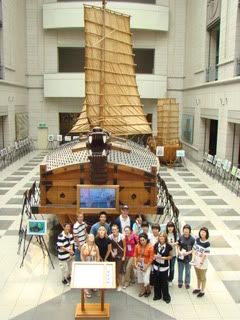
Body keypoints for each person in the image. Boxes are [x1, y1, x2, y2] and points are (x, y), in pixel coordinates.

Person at [152, 232, 172, 303]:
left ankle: (166, 297)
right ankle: (157, 295)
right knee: (156, 282)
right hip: (156, 266)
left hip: (164, 268)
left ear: (165, 238)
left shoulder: (169, 246)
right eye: (160, 236)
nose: (161, 238)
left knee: (164, 283)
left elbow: (170, 256)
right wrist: (155, 256)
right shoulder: (156, 245)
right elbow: (153, 253)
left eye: (163, 237)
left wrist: (164, 258)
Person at [192, 227, 210, 297]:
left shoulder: (207, 243)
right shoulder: (197, 240)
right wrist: (193, 259)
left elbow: (205, 255)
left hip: (203, 264)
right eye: (201, 232)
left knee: (203, 277)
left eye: (204, 232)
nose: (202, 233)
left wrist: (201, 263)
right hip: (196, 261)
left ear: (206, 234)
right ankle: (198, 288)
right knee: (198, 276)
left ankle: (202, 291)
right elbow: (194, 249)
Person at [134, 233, 154, 297]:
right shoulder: (137, 246)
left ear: (146, 239)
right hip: (139, 263)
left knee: (146, 279)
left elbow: (151, 258)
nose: (142, 242)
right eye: (140, 240)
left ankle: (148, 290)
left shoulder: (150, 246)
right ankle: (143, 291)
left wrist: (146, 266)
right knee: (140, 278)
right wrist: (135, 263)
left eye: (143, 240)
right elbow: (135, 255)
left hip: (147, 264)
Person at [81, 234, 100, 298]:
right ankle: (86, 290)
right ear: (87, 238)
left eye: (93, 237)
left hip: (93, 263)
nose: (92, 238)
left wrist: (97, 263)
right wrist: (83, 263)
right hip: (86, 263)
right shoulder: (84, 246)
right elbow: (81, 255)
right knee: (86, 276)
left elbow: (98, 256)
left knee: (93, 275)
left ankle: (93, 286)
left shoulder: (96, 246)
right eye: (90, 237)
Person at [177, 224, 195, 289]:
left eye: (187, 230)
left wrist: (187, 253)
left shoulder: (192, 239)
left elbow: (194, 249)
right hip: (180, 258)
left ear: (189, 231)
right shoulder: (180, 237)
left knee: (188, 271)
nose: (186, 231)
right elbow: (178, 245)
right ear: (183, 230)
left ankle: (187, 283)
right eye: (185, 229)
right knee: (180, 271)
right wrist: (179, 251)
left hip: (188, 258)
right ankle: (180, 282)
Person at [109, 224, 126, 291]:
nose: (114, 231)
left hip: (120, 255)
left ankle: (120, 285)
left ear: (118, 229)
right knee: (113, 270)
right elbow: (109, 247)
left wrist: (124, 256)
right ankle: (115, 283)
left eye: (115, 229)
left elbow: (124, 247)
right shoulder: (110, 237)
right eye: (113, 229)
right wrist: (111, 252)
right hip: (113, 256)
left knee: (119, 271)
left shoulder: (122, 236)